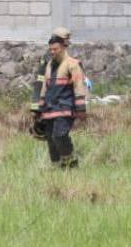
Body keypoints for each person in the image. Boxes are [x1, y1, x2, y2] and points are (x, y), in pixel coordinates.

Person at [36, 30, 88, 168]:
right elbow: (44, 88)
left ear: (64, 47)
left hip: (65, 108)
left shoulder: (73, 64)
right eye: (50, 49)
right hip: (49, 109)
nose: (52, 52)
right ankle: (57, 167)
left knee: (59, 135)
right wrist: (38, 109)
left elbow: (79, 86)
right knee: (50, 139)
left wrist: (81, 109)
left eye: (55, 49)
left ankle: (71, 163)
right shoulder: (48, 65)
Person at [30, 26, 72, 138]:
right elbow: (41, 83)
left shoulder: (62, 54)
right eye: (65, 40)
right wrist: (36, 107)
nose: (67, 43)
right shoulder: (51, 57)